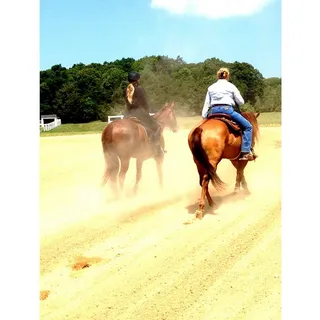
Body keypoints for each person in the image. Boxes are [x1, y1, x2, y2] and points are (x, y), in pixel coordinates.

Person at [201, 67, 257, 161]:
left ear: (218, 75)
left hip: (214, 111)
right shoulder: (231, 86)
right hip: (227, 110)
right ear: (227, 76)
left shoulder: (211, 87)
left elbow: (206, 104)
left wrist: (204, 117)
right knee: (248, 127)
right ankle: (246, 152)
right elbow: (241, 102)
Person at [123, 71, 163, 157]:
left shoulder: (125, 90)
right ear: (137, 80)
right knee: (157, 127)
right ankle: (157, 148)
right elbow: (145, 104)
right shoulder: (140, 89)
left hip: (127, 115)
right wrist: (147, 112)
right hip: (139, 113)